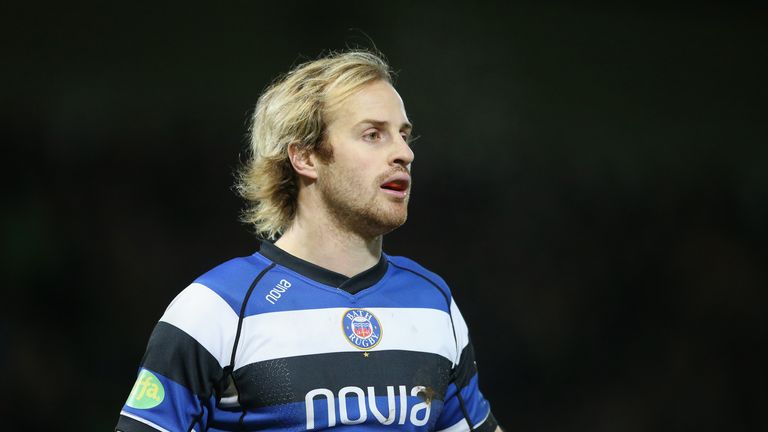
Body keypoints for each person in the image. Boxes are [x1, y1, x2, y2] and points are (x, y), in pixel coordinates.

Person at [116, 50, 500, 432]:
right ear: (305, 157)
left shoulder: (434, 303)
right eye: (373, 135)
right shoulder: (216, 309)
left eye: (403, 135)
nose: (404, 153)